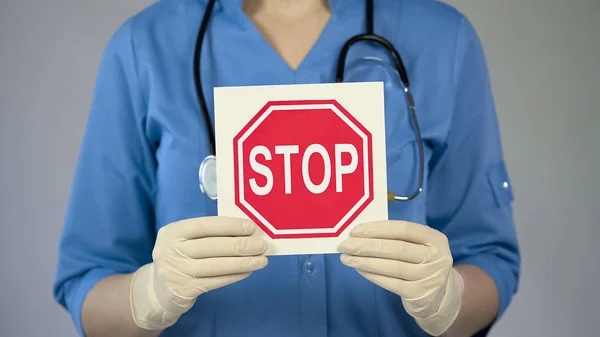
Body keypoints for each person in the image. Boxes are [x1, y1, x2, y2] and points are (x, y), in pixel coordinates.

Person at [53, 0, 521, 336]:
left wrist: (448, 298)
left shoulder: (441, 37)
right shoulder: (146, 44)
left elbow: (490, 259)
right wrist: (149, 295)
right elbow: (88, 282)